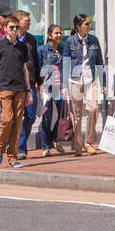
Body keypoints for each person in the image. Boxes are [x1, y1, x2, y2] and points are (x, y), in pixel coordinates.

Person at [0, 16, 35, 167]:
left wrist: (29, 90)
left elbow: (25, 69)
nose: (15, 30)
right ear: (5, 28)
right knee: (6, 120)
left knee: (17, 123)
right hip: (5, 87)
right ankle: (0, 149)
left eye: (16, 27)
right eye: (11, 27)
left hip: (20, 88)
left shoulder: (22, 47)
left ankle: (12, 157)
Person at [62, 13, 104, 155]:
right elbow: (65, 63)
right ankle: (78, 145)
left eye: (89, 23)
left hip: (90, 79)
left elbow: (99, 62)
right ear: (78, 26)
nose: (89, 26)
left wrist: (103, 82)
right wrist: (63, 85)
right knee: (77, 114)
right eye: (86, 24)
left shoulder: (94, 40)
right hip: (74, 80)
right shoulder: (70, 42)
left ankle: (88, 142)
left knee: (93, 109)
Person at [12, 13, 42, 159]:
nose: (30, 22)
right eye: (27, 20)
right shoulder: (10, 39)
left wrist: (38, 80)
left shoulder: (31, 40)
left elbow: (35, 60)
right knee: (13, 117)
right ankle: (17, 147)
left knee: (30, 116)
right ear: (18, 22)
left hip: (30, 83)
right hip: (14, 84)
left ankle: (20, 144)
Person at [39, 24, 68, 157]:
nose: (59, 35)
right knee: (47, 116)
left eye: (60, 33)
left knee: (58, 116)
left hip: (59, 86)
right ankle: (45, 146)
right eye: (56, 33)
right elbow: (38, 68)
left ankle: (54, 140)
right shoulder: (43, 50)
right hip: (46, 87)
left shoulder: (62, 50)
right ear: (49, 35)